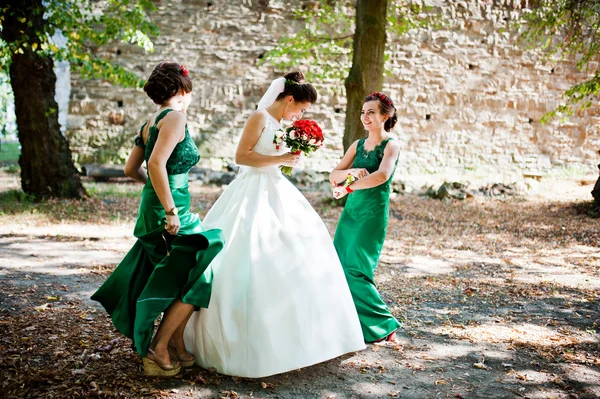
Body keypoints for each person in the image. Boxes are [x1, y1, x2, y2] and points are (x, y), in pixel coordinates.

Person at [183, 71, 365, 378]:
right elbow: (242, 156)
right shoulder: (259, 117)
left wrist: (290, 155)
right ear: (290, 98)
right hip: (251, 190)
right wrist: (279, 160)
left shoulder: (283, 125)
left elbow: (273, 156)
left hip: (278, 189)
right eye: (302, 109)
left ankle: (303, 339)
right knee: (246, 253)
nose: (301, 115)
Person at [91, 62, 224, 377]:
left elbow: (130, 170)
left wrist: (156, 192)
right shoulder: (176, 118)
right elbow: (155, 163)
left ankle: (176, 343)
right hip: (169, 211)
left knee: (178, 274)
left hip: (158, 207)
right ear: (181, 90)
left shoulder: (149, 122)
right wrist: (169, 208)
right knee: (198, 274)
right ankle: (159, 348)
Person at [330, 92, 402, 343]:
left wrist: (349, 186)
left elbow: (382, 176)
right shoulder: (357, 145)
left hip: (372, 214)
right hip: (350, 213)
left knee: (358, 270)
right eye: (363, 112)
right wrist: (350, 173)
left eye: (371, 112)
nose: (365, 117)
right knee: (339, 265)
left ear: (386, 115)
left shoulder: (391, 145)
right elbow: (333, 175)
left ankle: (385, 323)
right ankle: (354, 324)